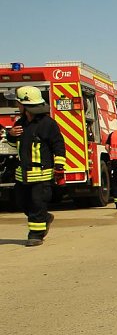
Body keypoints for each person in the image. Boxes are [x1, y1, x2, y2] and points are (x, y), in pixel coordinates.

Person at [7, 86, 66, 246]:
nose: (17, 106)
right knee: (22, 202)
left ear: (25, 105)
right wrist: (10, 135)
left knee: (37, 203)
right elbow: (13, 144)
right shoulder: (21, 123)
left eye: (18, 103)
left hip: (41, 174)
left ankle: (36, 235)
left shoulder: (48, 124)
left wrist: (59, 166)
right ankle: (45, 218)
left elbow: (58, 145)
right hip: (23, 174)